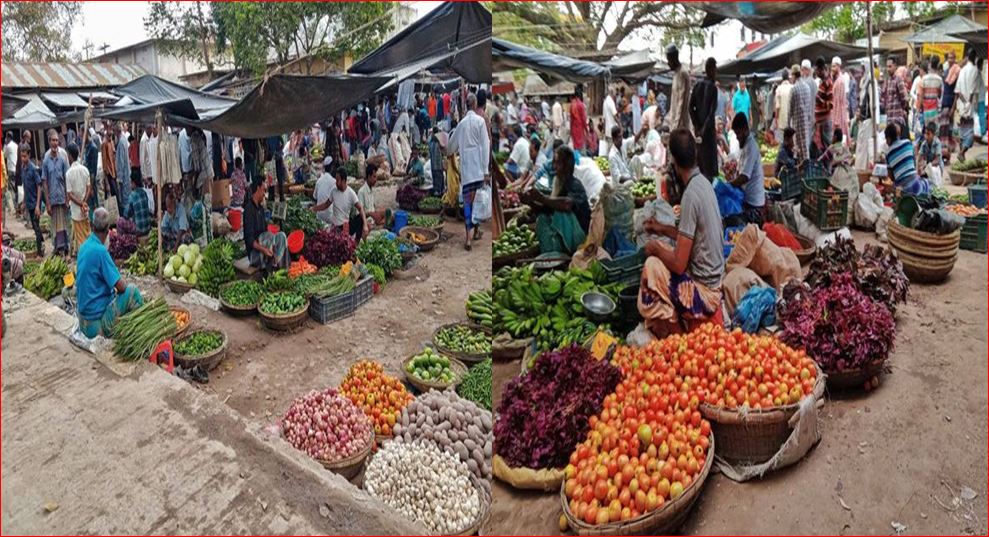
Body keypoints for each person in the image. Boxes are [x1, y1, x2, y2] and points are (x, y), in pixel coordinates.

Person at [638, 129, 724, 338]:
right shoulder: (703, 183)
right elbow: (690, 235)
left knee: (651, 268)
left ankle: (676, 334)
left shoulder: (691, 195)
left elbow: (678, 264)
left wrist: (656, 249)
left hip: (706, 293)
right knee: (664, 251)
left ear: (674, 162)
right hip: (715, 280)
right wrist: (661, 228)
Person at [76, 208, 145, 339]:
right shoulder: (100, 251)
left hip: (83, 321)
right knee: (132, 291)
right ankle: (142, 333)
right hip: (96, 324)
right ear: (108, 230)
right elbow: (122, 287)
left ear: (91, 226)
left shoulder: (84, 246)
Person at [521, 145, 590, 254]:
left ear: (566, 165)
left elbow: (566, 205)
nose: (553, 166)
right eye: (554, 162)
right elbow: (547, 209)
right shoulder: (558, 184)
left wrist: (542, 198)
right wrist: (530, 201)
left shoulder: (575, 185)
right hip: (568, 232)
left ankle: (559, 252)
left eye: (557, 163)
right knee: (543, 218)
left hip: (579, 237)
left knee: (560, 213)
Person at [447, 92, 490, 250]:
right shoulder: (480, 122)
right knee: (477, 201)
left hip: (466, 172)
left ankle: (468, 238)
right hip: (478, 170)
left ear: (466, 106)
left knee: (467, 204)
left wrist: (445, 148)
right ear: (475, 104)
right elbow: (485, 146)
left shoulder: (462, 124)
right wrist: (485, 170)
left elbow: (451, 146)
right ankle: (476, 230)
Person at [310, 168, 369, 242]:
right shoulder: (333, 191)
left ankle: (356, 242)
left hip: (346, 226)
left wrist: (365, 225)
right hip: (336, 227)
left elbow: (360, 208)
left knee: (360, 218)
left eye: (338, 180)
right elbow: (326, 204)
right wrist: (314, 208)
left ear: (343, 181)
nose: (336, 182)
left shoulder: (351, 193)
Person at [244, 178, 289, 273]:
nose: (265, 193)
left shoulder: (260, 208)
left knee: (282, 236)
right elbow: (249, 240)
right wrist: (264, 249)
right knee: (268, 236)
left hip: (265, 248)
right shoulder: (248, 210)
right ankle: (270, 270)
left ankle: (280, 266)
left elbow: (265, 230)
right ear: (258, 188)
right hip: (255, 255)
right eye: (264, 190)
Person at [730, 113, 765, 225]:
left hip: (754, 203)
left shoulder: (751, 147)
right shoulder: (745, 145)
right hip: (747, 198)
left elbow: (745, 176)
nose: (737, 137)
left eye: (738, 133)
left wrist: (729, 185)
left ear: (745, 130)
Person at [690, 57, 720, 180]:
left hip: (700, 133)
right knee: (709, 170)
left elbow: (691, 108)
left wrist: (696, 126)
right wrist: (703, 129)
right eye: (715, 70)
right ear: (710, 70)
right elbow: (711, 113)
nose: (715, 73)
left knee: (701, 165)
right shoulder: (712, 88)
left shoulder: (697, 86)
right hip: (707, 134)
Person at [41, 130, 71, 256]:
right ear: (49, 142)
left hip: (62, 196)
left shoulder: (63, 158)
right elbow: (44, 182)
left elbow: (67, 178)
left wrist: (67, 198)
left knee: (64, 223)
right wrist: (47, 202)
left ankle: (65, 247)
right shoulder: (46, 160)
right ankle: (57, 247)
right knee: (54, 224)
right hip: (52, 198)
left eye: (56, 140)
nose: (55, 143)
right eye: (52, 140)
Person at [885, 123, 929, 197]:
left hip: (903, 190)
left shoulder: (888, 154)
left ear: (888, 139)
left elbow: (891, 177)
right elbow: (913, 162)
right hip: (916, 184)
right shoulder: (908, 143)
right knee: (926, 182)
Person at [64, 143, 92, 255]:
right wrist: (84, 202)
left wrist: (80, 204)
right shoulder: (85, 170)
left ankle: (84, 256)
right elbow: (89, 188)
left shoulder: (69, 173)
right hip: (85, 208)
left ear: (70, 156)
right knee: (87, 233)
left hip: (76, 210)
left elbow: (69, 195)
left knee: (81, 239)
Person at [955, 50, 982, 162]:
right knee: (970, 134)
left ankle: (962, 157)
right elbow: (973, 90)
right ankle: (962, 152)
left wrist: (963, 102)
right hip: (969, 105)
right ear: (975, 58)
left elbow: (958, 91)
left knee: (962, 132)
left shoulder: (962, 70)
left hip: (961, 103)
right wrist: (968, 104)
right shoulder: (975, 70)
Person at [19, 146, 45, 256]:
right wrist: (24, 202)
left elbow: (39, 186)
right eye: (21, 156)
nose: (23, 158)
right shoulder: (23, 168)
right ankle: (42, 242)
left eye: (25, 156)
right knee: (35, 227)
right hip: (29, 203)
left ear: (29, 155)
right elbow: (25, 186)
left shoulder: (33, 168)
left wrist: (38, 206)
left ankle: (40, 253)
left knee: (36, 226)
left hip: (35, 203)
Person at [789, 62, 815, 163]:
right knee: (805, 148)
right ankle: (807, 168)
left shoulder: (794, 89)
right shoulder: (807, 88)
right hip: (806, 124)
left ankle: (801, 170)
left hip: (797, 125)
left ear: (794, 75)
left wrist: (788, 126)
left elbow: (789, 111)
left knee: (798, 149)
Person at [666, 45, 692, 133]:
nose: (668, 63)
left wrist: (675, 127)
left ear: (674, 58)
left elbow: (681, 103)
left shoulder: (682, 73)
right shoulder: (676, 73)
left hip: (681, 126)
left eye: (669, 60)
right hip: (675, 124)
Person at [882, 56, 909, 131]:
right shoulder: (888, 80)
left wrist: (902, 109)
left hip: (897, 118)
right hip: (890, 118)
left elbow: (904, 98)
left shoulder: (898, 79)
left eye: (890, 66)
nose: (888, 69)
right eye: (887, 67)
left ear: (895, 66)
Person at [814, 56, 835, 152]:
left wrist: (819, 100)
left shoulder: (828, 83)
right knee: (822, 149)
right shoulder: (822, 82)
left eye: (817, 70)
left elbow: (831, 105)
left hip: (825, 122)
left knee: (827, 149)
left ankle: (828, 167)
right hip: (821, 122)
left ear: (821, 69)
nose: (816, 73)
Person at [915, 122, 944, 187]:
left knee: (936, 185)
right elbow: (919, 157)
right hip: (928, 167)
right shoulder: (924, 144)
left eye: (928, 134)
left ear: (933, 134)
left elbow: (937, 160)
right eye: (925, 133)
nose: (926, 136)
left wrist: (927, 166)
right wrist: (917, 170)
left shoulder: (937, 143)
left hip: (937, 168)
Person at [831, 57, 849, 145]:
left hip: (839, 116)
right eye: (832, 66)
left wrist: (837, 121)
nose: (832, 69)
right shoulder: (837, 80)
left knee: (841, 141)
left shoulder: (840, 81)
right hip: (836, 115)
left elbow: (839, 101)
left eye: (834, 66)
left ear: (838, 66)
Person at [775, 67, 795, 143]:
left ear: (782, 77)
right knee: (792, 140)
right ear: (788, 77)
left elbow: (777, 106)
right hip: (792, 120)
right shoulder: (792, 87)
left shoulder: (779, 89)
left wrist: (776, 119)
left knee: (783, 140)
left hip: (782, 121)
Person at [428, 127, 447, 198]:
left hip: (433, 164)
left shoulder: (431, 141)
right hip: (438, 164)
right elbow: (444, 148)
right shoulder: (439, 141)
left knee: (435, 179)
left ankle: (438, 191)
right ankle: (439, 192)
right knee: (439, 178)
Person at [569, 87, 588, 154]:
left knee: (575, 147)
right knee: (581, 147)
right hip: (580, 129)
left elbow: (571, 119)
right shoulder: (580, 104)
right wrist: (586, 130)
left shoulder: (572, 104)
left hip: (574, 129)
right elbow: (583, 118)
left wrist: (571, 130)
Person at [115, 124, 131, 203]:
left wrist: (119, 178)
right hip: (127, 173)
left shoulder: (121, 142)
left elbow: (120, 161)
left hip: (124, 175)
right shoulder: (124, 139)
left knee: (124, 198)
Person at [101, 129, 118, 202]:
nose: (110, 137)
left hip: (113, 170)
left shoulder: (111, 142)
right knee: (111, 191)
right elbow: (104, 159)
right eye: (109, 136)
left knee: (115, 191)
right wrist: (106, 174)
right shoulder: (104, 144)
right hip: (109, 171)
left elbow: (113, 156)